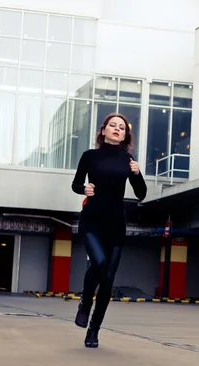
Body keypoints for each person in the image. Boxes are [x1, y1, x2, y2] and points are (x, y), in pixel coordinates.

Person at [71, 112, 147, 348]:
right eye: (112, 125)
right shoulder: (89, 156)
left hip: (116, 223)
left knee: (108, 280)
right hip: (92, 220)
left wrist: (137, 173)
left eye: (121, 127)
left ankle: (93, 331)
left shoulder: (128, 160)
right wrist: (85, 189)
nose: (117, 129)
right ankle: (85, 302)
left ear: (125, 134)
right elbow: (76, 184)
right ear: (103, 131)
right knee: (100, 263)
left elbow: (141, 193)